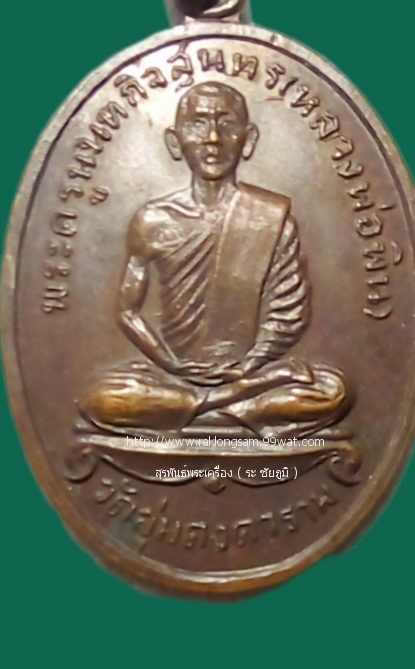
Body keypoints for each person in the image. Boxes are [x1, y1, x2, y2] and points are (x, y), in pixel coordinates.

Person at [83, 82, 349, 438]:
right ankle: (235, 408)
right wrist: (171, 364)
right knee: (101, 398)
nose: (212, 138)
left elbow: (288, 313)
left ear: (248, 139)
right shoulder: (152, 220)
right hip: (173, 375)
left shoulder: (271, 217)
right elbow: (128, 311)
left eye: (226, 124)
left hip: (251, 371)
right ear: (174, 141)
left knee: (334, 392)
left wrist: (250, 366)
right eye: (198, 123)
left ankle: (192, 412)